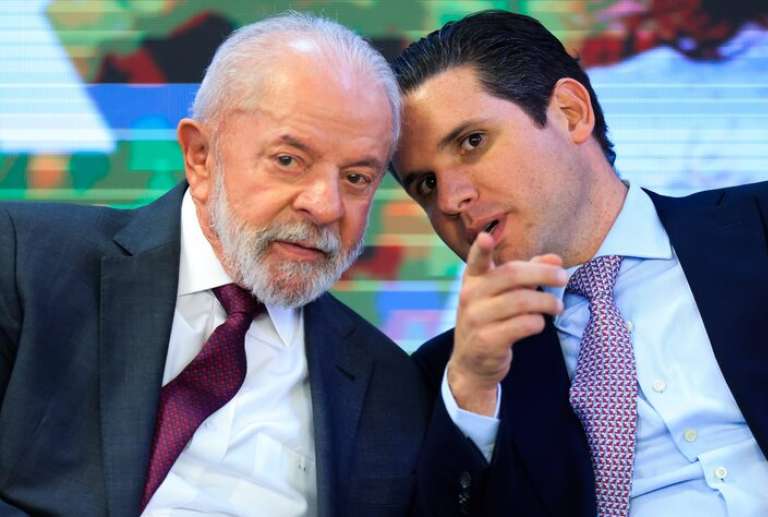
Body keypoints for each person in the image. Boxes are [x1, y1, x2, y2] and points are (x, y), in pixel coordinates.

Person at [0, 12, 482, 517]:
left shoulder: (389, 384)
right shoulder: (24, 262)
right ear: (201, 156)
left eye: (357, 178)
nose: (325, 206)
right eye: (288, 160)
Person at [391, 9, 768, 517]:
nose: (450, 199)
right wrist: (473, 389)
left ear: (571, 113)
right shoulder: (453, 380)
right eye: (425, 184)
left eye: (472, 142)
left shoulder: (762, 224)